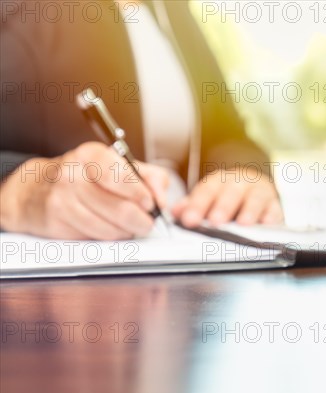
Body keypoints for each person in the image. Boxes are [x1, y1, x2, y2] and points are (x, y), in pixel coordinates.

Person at [0, 0, 283, 240]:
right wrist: (17, 195)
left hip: (187, 263)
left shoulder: (173, 11)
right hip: (49, 280)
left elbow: (228, 134)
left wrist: (243, 175)